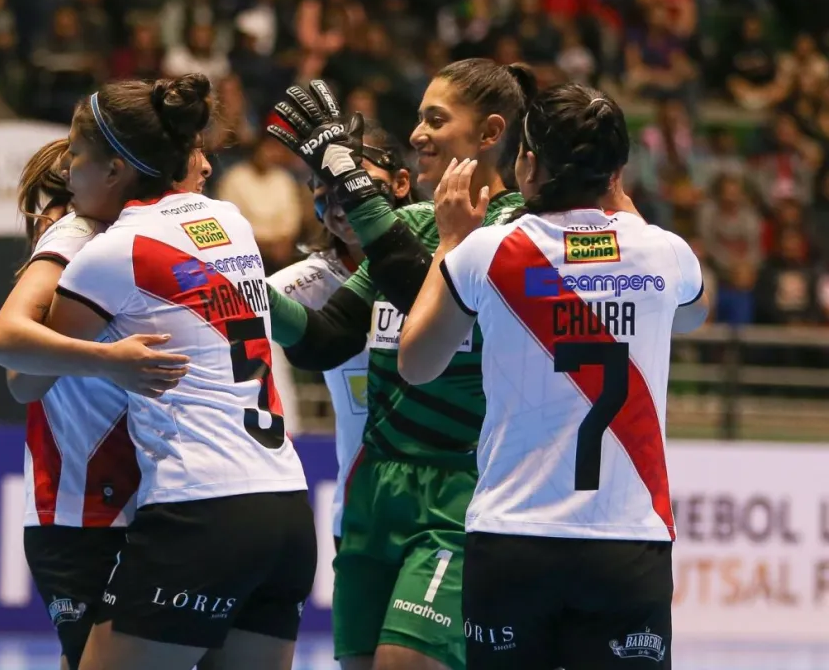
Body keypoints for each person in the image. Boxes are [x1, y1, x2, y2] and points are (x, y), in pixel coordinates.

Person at [0, 74, 316, 670]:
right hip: (286, 504)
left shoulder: (110, 248)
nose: (68, 170)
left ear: (116, 169)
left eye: (77, 156)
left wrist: (107, 359)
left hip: (197, 505)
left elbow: (18, 366)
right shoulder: (231, 222)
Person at [398, 84, 708, 670]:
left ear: (529, 164)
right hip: (626, 542)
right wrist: (625, 212)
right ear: (616, 171)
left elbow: (416, 364)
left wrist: (448, 243)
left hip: (514, 538)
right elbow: (694, 315)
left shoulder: (489, 251)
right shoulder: (665, 253)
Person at [263, 60, 534, 670]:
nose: (416, 134)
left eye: (435, 120)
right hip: (373, 490)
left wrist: (348, 174)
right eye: (418, 118)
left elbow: (437, 301)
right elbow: (327, 339)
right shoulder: (412, 224)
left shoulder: (519, 231)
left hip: (459, 491)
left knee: (404, 662)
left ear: (490, 133)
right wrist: (241, 288)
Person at [0, 139, 189, 670]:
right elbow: (18, 375)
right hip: (84, 510)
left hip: (149, 499)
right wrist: (109, 362)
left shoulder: (139, 242)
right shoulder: (75, 233)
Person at [267, 124, 417, 544]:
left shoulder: (447, 260)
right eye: (324, 192)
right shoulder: (298, 285)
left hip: (449, 507)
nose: (341, 204)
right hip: (356, 514)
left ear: (401, 183)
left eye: (353, 183)